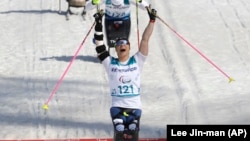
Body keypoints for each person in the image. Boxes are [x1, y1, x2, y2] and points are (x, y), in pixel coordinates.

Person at [93, 5, 157, 140]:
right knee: (120, 130)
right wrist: (98, 25)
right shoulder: (110, 63)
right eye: (119, 44)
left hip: (134, 106)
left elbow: (145, 39)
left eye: (124, 43)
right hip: (117, 106)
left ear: (129, 47)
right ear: (115, 49)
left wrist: (151, 21)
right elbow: (99, 46)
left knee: (133, 131)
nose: (122, 45)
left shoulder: (137, 60)